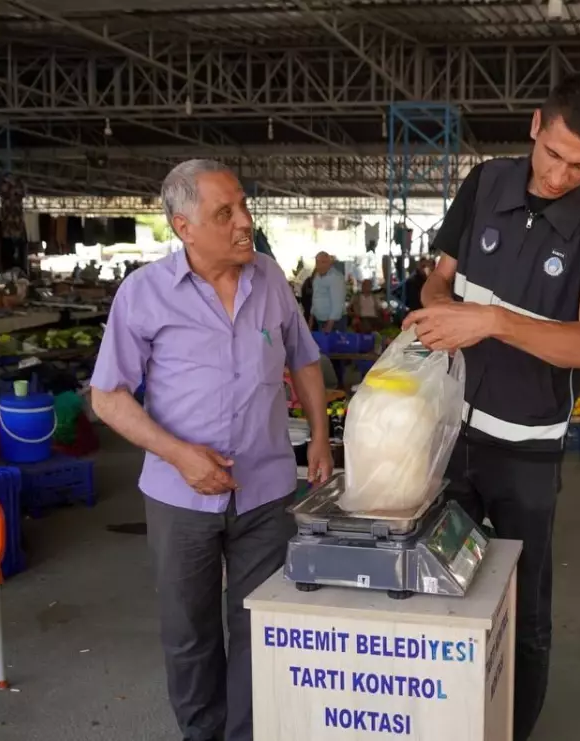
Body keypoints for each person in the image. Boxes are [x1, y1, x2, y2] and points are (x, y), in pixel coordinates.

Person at [403, 71, 580, 741]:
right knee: (440, 585)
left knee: (521, 606)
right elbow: (438, 277)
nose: (561, 174)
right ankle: (451, 719)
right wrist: (441, 304)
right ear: (536, 124)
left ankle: (512, 728)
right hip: (446, 432)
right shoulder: (485, 183)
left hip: (526, 452)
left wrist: (492, 321)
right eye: (554, 153)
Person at [89, 159, 334, 741]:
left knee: (260, 628)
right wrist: (178, 454)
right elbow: (108, 397)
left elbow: (303, 356)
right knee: (190, 633)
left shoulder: (271, 278)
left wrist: (321, 435)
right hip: (180, 498)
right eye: (225, 213)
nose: (244, 221)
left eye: (244, 205)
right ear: (183, 227)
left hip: (266, 491)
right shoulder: (144, 294)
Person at [309, 251, 345, 331]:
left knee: (334, 343)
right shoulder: (317, 276)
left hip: (333, 322)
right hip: (320, 320)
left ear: (329, 263)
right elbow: (315, 297)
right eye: (317, 262)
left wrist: (329, 324)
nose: (320, 265)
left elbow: (337, 303)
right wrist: (311, 318)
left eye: (323, 262)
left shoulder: (335, 277)